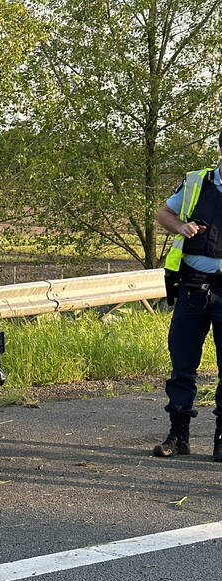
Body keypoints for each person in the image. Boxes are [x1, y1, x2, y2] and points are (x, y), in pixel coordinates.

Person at [154, 130, 222, 461]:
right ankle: (178, 436)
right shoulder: (197, 182)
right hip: (193, 287)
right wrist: (180, 226)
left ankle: (221, 439)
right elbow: (163, 214)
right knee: (182, 365)